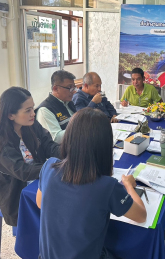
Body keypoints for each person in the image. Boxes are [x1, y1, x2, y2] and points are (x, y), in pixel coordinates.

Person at [36, 108, 147, 259]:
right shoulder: (107, 186)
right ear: (105, 145)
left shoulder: (49, 166)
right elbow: (141, 215)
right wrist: (128, 185)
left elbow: (40, 203)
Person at [0, 87, 60, 226]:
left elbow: (49, 146)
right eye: (28, 110)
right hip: (17, 194)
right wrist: (56, 165)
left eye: (33, 108)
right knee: (63, 201)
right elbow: (23, 171)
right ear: (10, 115)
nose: (33, 113)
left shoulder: (30, 125)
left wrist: (71, 153)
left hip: (36, 180)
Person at [36, 70, 77, 143]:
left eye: (74, 87)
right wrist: (80, 127)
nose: (74, 91)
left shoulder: (69, 103)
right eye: (70, 87)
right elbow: (56, 138)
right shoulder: (45, 110)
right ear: (56, 89)